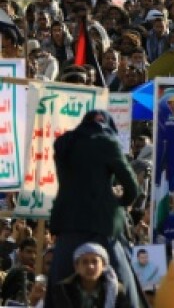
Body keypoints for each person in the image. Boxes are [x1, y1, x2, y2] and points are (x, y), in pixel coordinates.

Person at [48, 112, 141, 304]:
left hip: (68, 225)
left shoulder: (64, 142)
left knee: (57, 287)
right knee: (124, 286)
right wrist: (120, 201)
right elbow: (132, 188)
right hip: (102, 226)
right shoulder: (108, 143)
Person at [50, 242, 133, 308]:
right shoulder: (63, 290)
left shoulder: (116, 290)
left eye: (94, 262)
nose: (90, 266)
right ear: (76, 267)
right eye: (85, 262)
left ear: (103, 266)